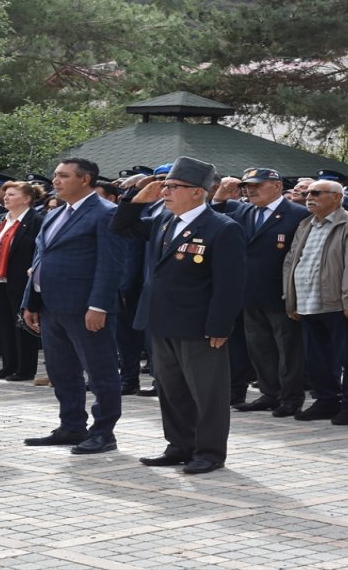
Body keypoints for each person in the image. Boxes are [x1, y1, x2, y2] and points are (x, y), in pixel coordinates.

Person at [113, 156, 246, 474]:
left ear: (198, 192)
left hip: (199, 325)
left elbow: (230, 284)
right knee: (171, 389)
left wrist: (220, 325)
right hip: (161, 320)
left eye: (173, 187)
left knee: (207, 393)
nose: (165, 191)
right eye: (165, 186)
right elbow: (120, 227)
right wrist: (134, 200)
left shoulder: (222, 228)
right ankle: (179, 445)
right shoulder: (165, 221)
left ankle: (210, 452)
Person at [21, 158, 124, 454]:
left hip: (85, 308)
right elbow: (40, 259)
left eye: (64, 176)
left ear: (85, 179)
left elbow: (111, 264)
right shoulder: (55, 213)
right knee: (62, 371)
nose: (56, 181)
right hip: (52, 307)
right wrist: (31, 301)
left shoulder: (105, 213)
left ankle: (104, 432)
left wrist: (100, 306)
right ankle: (71, 426)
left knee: (100, 372)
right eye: (55, 175)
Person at [213, 168, 310, 417]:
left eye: (257, 185)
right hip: (249, 292)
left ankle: (291, 397)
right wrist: (220, 196)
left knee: (288, 349)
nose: (250, 190)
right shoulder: (243, 210)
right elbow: (213, 217)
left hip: (281, 294)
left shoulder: (298, 214)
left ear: (276, 186)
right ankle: (270, 393)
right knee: (259, 347)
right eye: (247, 186)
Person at [281, 179, 348, 424]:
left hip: (338, 302)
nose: (309, 197)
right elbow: (291, 261)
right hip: (307, 301)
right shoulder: (305, 224)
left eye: (316, 193)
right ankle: (326, 402)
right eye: (307, 193)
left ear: (336, 197)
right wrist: (290, 298)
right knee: (317, 358)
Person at [0, 181, 44, 381]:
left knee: (22, 326)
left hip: (20, 280)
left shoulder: (36, 220)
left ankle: (25, 368)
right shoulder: (1, 219)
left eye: (12, 194)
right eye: (6, 194)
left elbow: (37, 251)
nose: (6, 197)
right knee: (4, 326)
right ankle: (8, 366)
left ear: (26, 199)